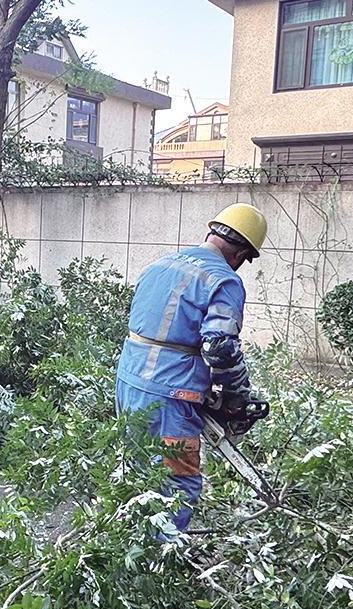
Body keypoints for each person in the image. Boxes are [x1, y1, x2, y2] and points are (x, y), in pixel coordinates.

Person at [115, 202, 268, 532]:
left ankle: (130, 548)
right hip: (172, 396)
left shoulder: (160, 264)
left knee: (139, 472)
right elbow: (220, 346)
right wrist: (235, 396)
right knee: (177, 483)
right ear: (242, 255)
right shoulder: (224, 281)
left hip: (128, 382)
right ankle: (162, 564)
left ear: (210, 233)